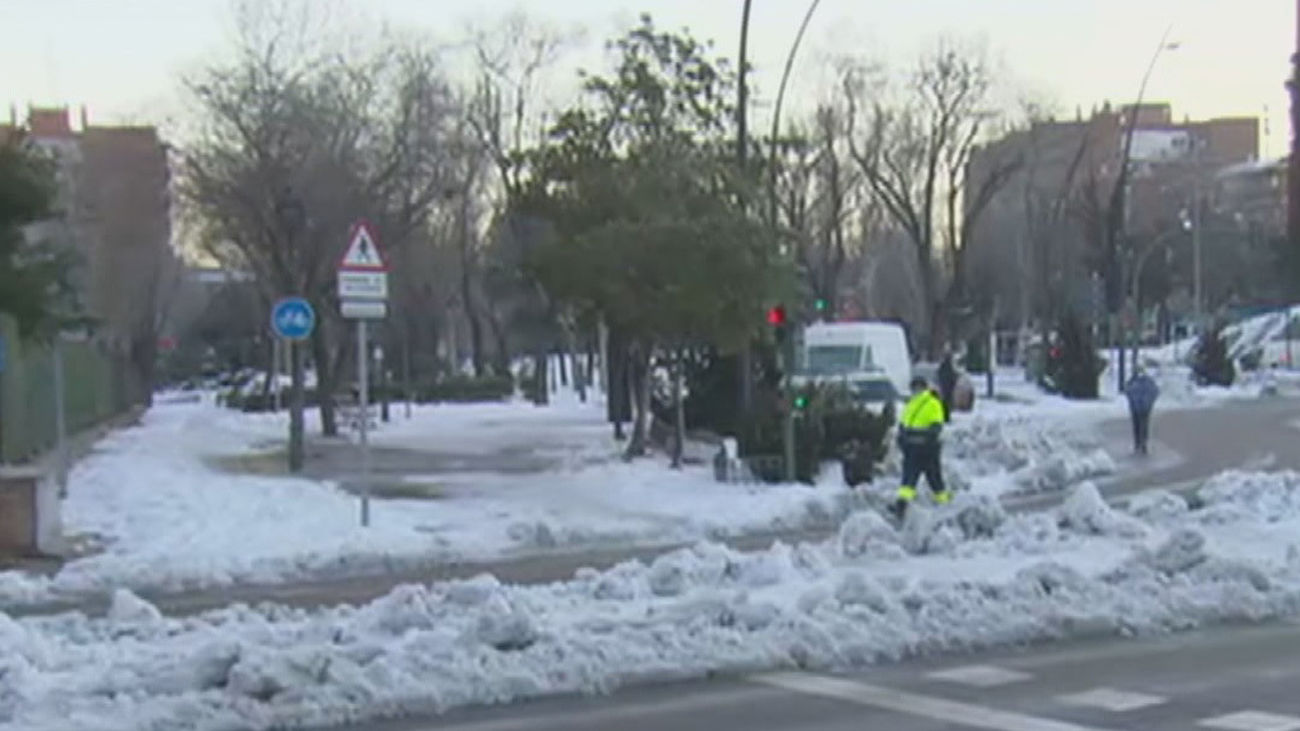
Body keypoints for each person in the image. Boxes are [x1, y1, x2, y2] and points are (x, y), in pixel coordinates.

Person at [891, 376, 951, 520]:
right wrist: (903, 438)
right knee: (909, 480)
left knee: (932, 479)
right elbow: (903, 425)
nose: (915, 391)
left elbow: (936, 428)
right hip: (914, 449)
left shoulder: (932, 403)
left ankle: (945, 507)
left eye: (917, 387)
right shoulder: (911, 404)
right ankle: (902, 506)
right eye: (914, 388)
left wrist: (912, 436)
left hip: (926, 449)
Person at [1124, 368, 1159, 455]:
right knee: (1142, 425)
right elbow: (1155, 391)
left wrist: (1132, 400)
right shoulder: (1147, 381)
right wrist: (1150, 402)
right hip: (1142, 407)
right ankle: (1141, 443)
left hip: (1138, 407)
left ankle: (1140, 443)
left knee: (1139, 425)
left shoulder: (1134, 381)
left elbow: (1127, 390)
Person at [937, 353, 957, 423]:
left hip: (945, 386)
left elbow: (939, 374)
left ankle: (945, 416)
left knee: (945, 402)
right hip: (948, 387)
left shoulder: (943, 366)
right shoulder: (949, 366)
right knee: (947, 402)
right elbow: (952, 376)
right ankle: (946, 417)